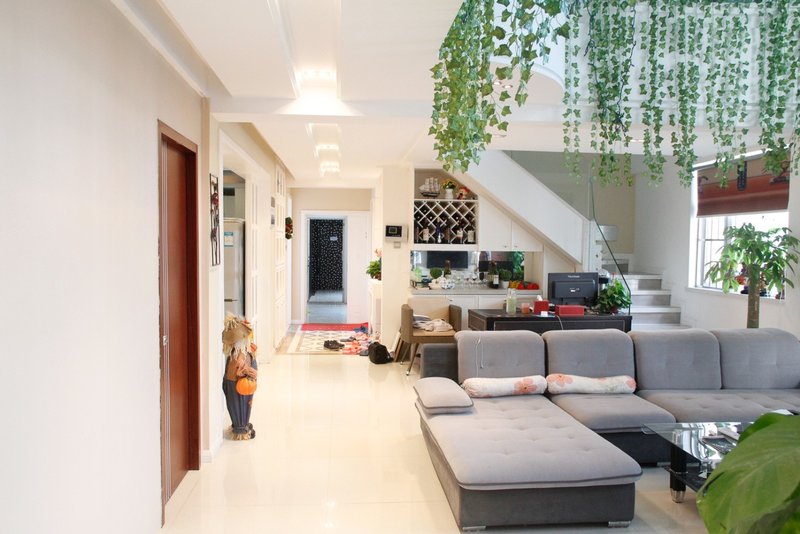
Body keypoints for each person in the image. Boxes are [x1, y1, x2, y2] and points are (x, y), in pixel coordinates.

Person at [221, 313, 258, 440]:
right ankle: (240, 429)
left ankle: (241, 425)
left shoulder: (239, 353)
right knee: (239, 405)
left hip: (237, 385)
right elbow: (239, 371)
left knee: (239, 405)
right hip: (237, 386)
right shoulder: (239, 355)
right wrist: (245, 372)